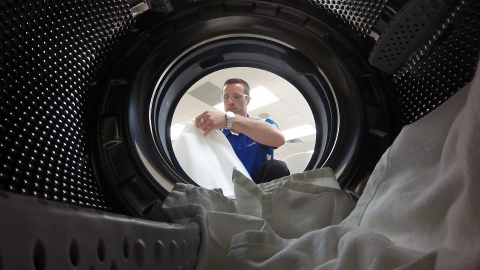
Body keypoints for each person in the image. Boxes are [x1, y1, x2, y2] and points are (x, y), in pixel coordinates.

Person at [195, 78, 290, 183]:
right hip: (229, 191)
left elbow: (279, 139)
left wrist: (229, 120)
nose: (230, 101)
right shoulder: (217, 135)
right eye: (226, 97)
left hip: (263, 190)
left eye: (236, 97)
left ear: (247, 100)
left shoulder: (263, 123)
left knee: (277, 166)